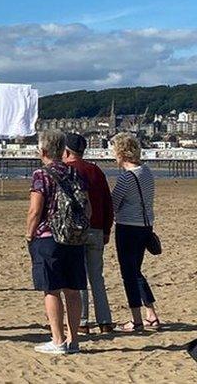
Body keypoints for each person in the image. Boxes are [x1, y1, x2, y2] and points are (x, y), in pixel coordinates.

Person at [26, 130, 86, 355]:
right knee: (73, 290)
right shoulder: (75, 172)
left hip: (48, 236)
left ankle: (58, 339)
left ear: (42, 151)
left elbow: (35, 210)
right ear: (63, 150)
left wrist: (29, 234)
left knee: (51, 289)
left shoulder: (41, 174)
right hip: (73, 237)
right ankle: (74, 341)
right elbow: (86, 206)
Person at [61, 133, 114, 335]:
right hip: (97, 229)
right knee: (97, 277)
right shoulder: (95, 171)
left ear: (66, 152)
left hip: (76, 229)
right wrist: (107, 229)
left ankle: (82, 321)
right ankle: (105, 321)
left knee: (79, 276)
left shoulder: (67, 171)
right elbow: (107, 203)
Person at [109, 132, 160, 332]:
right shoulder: (146, 171)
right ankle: (151, 315)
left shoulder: (126, 178)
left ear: (121, 152)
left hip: (128, 227)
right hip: (145, 226)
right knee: (136, 271)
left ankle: (137, 319)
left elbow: (114, 204)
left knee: (128, 273)